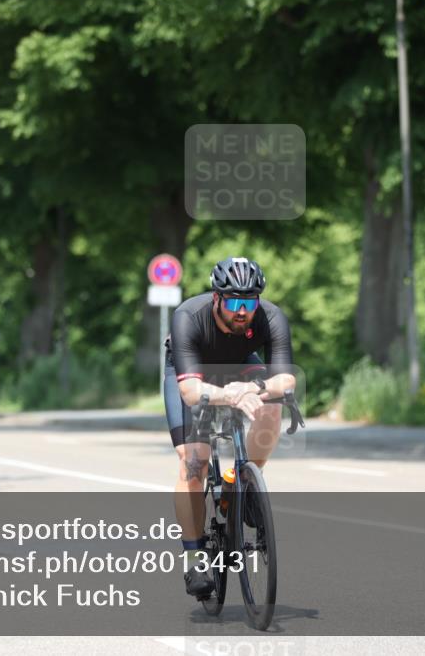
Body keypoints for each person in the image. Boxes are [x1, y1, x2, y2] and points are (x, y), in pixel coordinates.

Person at [164, 256, 295, 598]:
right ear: (217, 298)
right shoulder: (188, 317)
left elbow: (285, 377)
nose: (242, 310)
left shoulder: (270, 316)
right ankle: (194, 557)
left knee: (271, 410)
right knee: (194, 461)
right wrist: (228, 395)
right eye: (234, 301)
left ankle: (242, 482)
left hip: (239, 366)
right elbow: (190, 392)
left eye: (249, 302)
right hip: (192, 373)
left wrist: (256, 390)